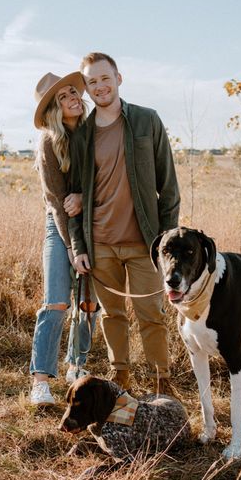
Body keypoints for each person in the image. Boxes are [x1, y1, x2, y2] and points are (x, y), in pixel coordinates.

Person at [69, 52, 180, 392]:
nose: (99, 86)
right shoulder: (82, 135)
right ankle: (121, 377)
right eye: (92, 82)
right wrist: (79, 246)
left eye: (105, 78)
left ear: (119, 78)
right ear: (87, 90)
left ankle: (162, 382)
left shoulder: (147, 121)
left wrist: (167, 244)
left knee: (152, 315)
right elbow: (72, 199)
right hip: (100, 243)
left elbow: (169, 188)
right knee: (111, 315)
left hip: (145, 244)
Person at [29, 71, 99, 406]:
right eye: (62, 97)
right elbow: (57, 201)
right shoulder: (48, 141)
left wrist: (85, 197)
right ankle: (40, 380)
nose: (73, 97)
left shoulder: (96, 130)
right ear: (54, 110)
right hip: (58, 225)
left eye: (73, 91)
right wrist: (71, 248)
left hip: (96, 220)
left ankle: (77, 364)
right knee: (56, 301)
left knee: (88, 303)